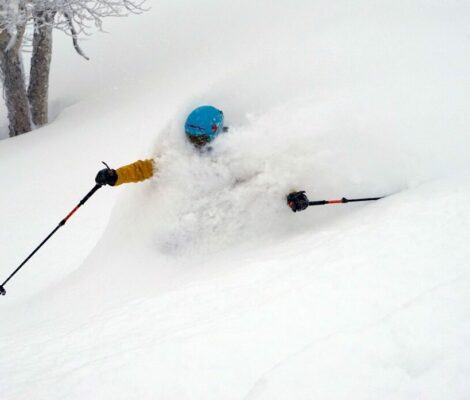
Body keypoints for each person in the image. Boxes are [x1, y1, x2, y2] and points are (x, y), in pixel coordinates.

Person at [95, 105, 225, 187]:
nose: (195, 143)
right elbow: (145, 169)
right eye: (190, 137)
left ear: (215, 132)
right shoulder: (181, 153)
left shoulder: (231, 153)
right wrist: (117, 175)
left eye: (200, 139)